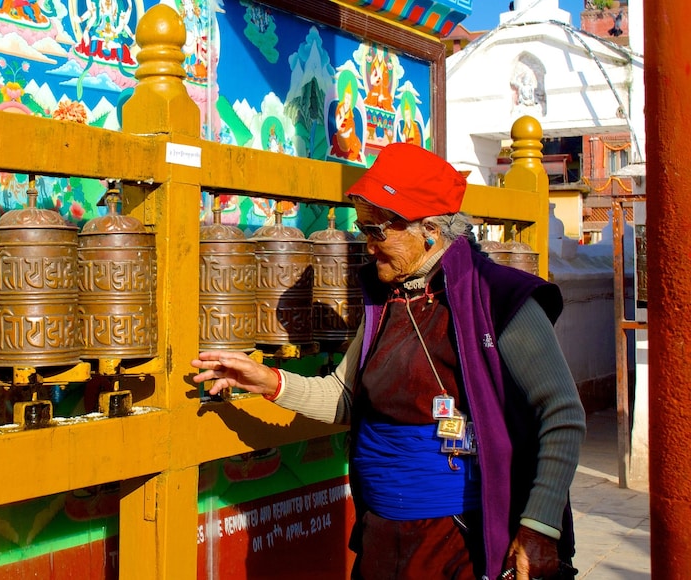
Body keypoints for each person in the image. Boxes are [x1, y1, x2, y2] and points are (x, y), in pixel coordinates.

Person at [192, 142, 585, 580]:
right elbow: (345, 397)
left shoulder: (500, 298)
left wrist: (539, 528)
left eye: (377, 231)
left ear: (429, 229)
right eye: (363, 229)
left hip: (459, 539)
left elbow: (563, 414)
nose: (368, 245)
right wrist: (266, 380)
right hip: (382, 535)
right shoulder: (389, 302)